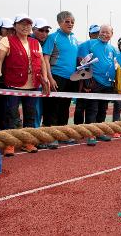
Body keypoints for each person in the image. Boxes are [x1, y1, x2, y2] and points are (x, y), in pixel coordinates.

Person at [0, 13, 50, 156]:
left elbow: (42, 62)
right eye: (22, 24)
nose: (25, 27)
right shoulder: (7, 40)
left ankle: (27, 142)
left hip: (33, 85)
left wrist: (45, 77)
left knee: (30, 114)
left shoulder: (35, 42)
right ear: (15, 26)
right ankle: (9, 144)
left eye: (28, 24)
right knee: (10, 115)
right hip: (13, 84)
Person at [42, 11, 79, 149]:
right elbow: (45, 58)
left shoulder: (75, 38)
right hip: (56, 76)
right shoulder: (53, 37)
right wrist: (49, 78)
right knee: (52, 107)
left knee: (65, 107)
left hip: (71, 79)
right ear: (59, 22)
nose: (70, 24)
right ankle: (49, 137)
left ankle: (62, 135)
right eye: (67, 21)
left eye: (72, 22)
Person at [76, 25, 117, 146]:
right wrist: (86, 78)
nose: (105, 34)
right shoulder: (89, 44)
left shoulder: (112, 48)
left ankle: (99, 132)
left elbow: (114, 64)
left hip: (107, 82)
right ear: (99, 33)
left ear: (112, 34)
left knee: (103, 109)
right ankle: (90, 134)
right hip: (94, 81)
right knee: (92, 108)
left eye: (107, 32)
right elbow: (80, 62)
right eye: (102, 32)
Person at [31, 18, 52, 132]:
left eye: (46, 31)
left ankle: (36, 133)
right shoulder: (27, 40)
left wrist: (45, 78)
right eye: (41, 30)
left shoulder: (47, 42)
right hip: (25, 82)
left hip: (40, 81)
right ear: (33, 29)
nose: (44, 33)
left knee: (39, 109)